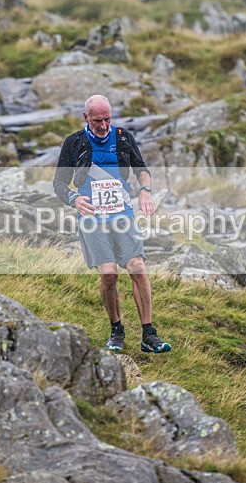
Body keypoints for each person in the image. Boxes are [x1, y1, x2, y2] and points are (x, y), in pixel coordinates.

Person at [53, 95, 171, 354]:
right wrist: (74, 199)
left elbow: (142, 168)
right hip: (93, 218)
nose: (104, 125)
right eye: (97, 121)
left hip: (122, 215)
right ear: (86, 118)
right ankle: (116, 331)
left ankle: (149, 334)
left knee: (137, 266)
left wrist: (146, 191)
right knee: (109, 274)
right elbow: (59, 183)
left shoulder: (124, 137)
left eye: (107, 119)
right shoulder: (73, 142)